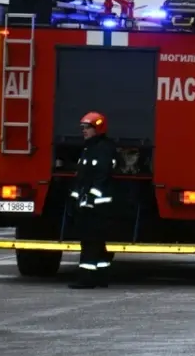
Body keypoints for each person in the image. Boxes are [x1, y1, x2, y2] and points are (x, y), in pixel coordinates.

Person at [69, 111, 118, 289]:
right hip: (89, 204)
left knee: (89, 241)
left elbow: (101, 177)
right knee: (97, 241)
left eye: (88, 127)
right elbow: (82, 177)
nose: (84, 131)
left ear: (98, 128)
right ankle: (102, 276)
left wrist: (90, 198)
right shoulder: (89, 149)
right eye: (83, 128)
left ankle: (85, 278)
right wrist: (76, 199)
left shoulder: (104, 149)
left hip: (99, 206)